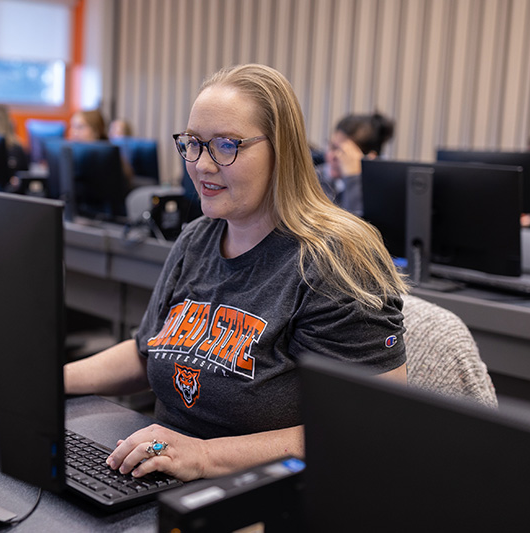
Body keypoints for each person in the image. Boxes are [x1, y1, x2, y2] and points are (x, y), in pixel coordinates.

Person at [64, 64, 408, 482]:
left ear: (282, 150)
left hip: (267, 495)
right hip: (164, 475)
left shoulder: (337, 260)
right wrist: (52, 379)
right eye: (193, 143)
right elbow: (145, 351)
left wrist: (205, 457)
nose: (202, 165)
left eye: (226, 145)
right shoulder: (197, 238)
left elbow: (368, 426)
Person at [318, 112, 395, 216]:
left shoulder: (383, 190)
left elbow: (355, 228)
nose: (331, 156)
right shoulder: (318, 176)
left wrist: (352, 178)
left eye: (342, 151)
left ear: (369, 158)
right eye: (331, 147)